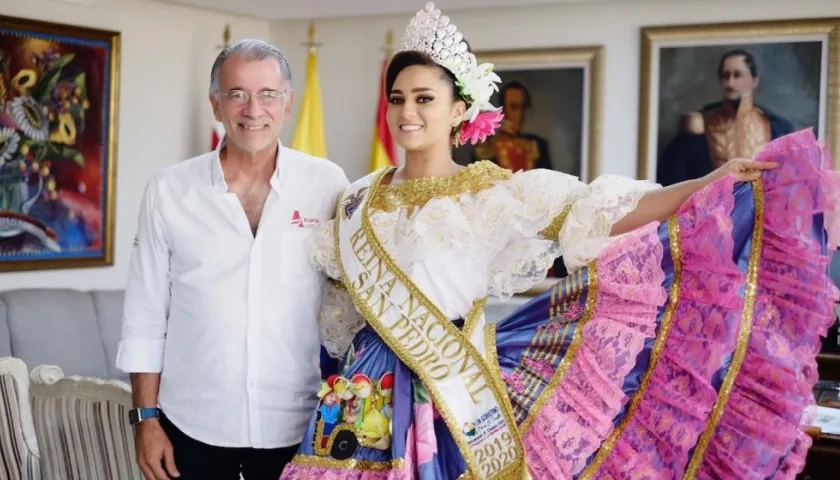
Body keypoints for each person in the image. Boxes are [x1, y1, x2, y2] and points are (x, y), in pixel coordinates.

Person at [281, 3, 840, 479]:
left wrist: (709, 183)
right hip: (359, 401)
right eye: (398, 98)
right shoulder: (357, 197)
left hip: (453, 398)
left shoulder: (492, 193)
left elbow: (603, 208)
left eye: (424, 98)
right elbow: (335, 314)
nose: (407, 111)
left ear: (459, 109)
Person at [116, 39, 349, 480]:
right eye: (236, 93)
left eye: (267, 94)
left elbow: (352, 295)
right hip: (190, 427)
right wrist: (145, 420)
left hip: (298, 426)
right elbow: (144, 314)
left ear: (288, 103)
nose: (252, 109)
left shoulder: (327, 184)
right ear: (216, 104)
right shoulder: (169, 190)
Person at [657, 49, 795, 186]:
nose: (730, 83)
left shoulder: (778, 127)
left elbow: (790, 180)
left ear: (754, 81)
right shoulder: (698, 124)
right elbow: (674, 180)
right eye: (725, 76)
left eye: (738, 75)